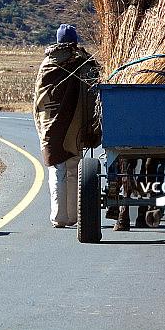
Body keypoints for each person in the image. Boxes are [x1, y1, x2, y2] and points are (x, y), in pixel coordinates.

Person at [34, 24, 101, 228]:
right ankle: (73, 216)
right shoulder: (84, 63)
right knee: (73, 168)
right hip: (76, 124)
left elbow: (39, 99)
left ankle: (59, 217)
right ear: (75, 41)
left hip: (51, 126)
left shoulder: (47, 65)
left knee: (57, 169)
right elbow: (93, 92)